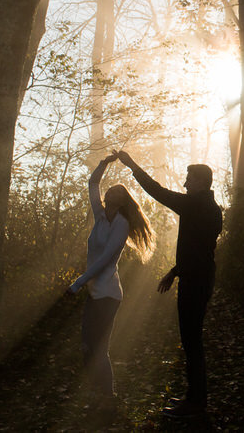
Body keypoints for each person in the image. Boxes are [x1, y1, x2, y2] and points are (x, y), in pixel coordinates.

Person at [115, 150, 222, 418]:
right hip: (200, 277)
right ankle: (196, 397)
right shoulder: (211, 208)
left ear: (199, 182)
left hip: (195, 283)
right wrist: (174, 272)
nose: (185, 184)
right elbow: (199, 249)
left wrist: (132, 165)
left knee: (191, 341)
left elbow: (157, 191)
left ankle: (195, 403)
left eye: (188, 179)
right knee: (192, 340)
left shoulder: (195, 205)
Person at [67, 153, 155, 408]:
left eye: (117, 190)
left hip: (108, 295)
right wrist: (104, 164)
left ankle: (107, 397)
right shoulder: (101, 217)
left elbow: (106, 259)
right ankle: (98, 394)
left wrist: (77, 282)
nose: (110, 191)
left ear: (122, 199)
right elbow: (92, 184)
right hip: (95, 293)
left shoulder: (122, 225)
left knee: (98, 348)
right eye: (111, 189)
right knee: (87, 347)